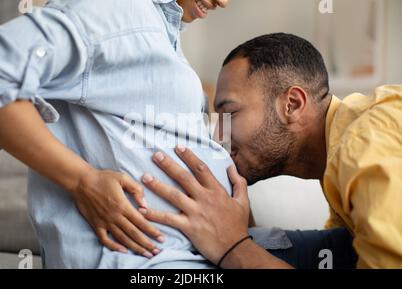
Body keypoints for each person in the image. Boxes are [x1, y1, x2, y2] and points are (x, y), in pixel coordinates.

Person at [0, 0, 291, 269]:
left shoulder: (159, 31)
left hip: (215, 250)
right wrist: (82, 180)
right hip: (161, 264)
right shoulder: (112, 11)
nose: (223, 2)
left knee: (339, 243)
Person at [139, 33, 402, 269]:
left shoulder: (360, 147)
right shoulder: (340, 150)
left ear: (292, 104)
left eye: (230, 113)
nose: (219, 137)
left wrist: (234, 246)